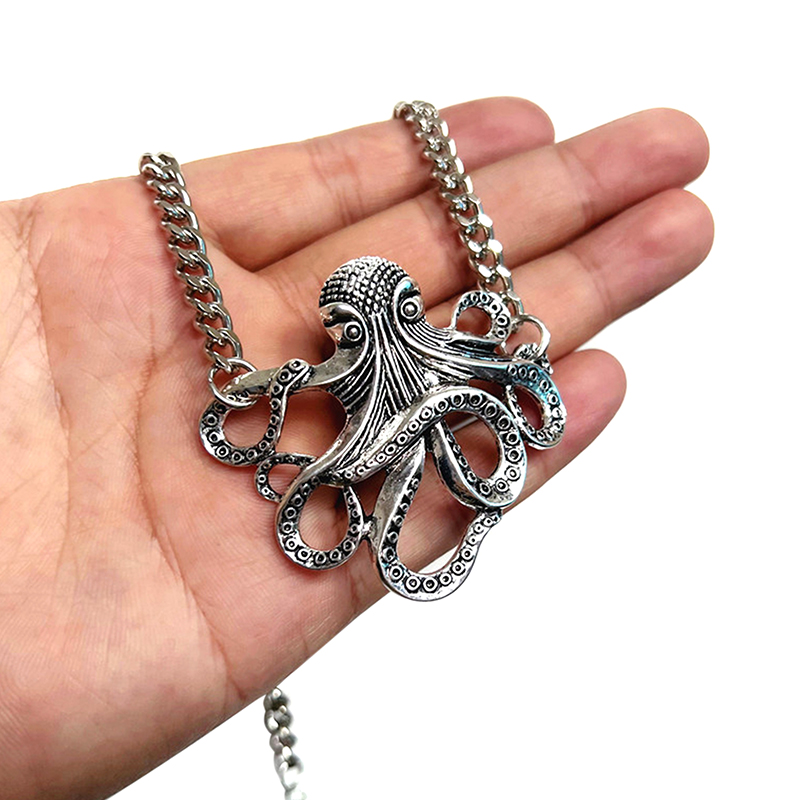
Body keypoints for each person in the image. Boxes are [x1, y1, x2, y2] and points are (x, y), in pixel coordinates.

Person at [0, 97, 712, 799]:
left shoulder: (439, 353)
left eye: (372, 323)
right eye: (346, 332)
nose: (361, 345)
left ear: (409, 310)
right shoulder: (335, 372)